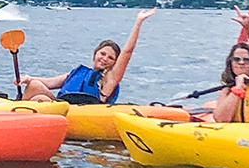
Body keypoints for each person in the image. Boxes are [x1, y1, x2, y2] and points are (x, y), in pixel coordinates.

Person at [20, 9, 156, 104]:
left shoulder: (110, 79)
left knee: (41, 99)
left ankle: (21, 120)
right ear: (95, 53)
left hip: (84, 112)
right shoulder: (79, 72)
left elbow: (127, 52)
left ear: (115, 62)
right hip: (63, 107)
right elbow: (49, 82)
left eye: (110, 58)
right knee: (34, 85)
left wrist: (138, 22)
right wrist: (27, 78)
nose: (104, 58)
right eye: (102, 54)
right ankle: (15, 116)